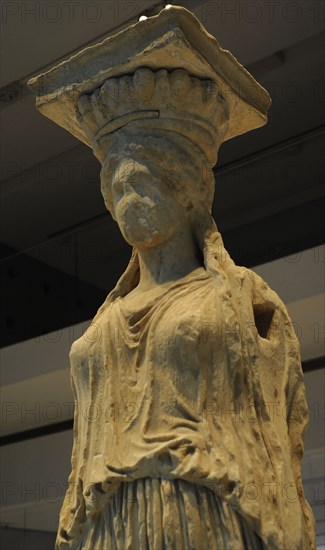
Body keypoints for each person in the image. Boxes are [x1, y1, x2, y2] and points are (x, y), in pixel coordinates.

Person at [54, 69, 315, 549]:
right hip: (110, 513)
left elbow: (277, 416)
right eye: (117, 190)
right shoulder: (105, 322)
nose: (128, 201)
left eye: (143, 183)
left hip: (203, 501)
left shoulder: (234, 296)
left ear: (188, 190)